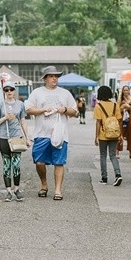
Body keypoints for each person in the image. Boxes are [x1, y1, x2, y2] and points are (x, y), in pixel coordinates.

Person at [26, 65, 78, 201]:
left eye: (56, 76)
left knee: (59, 162)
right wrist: (43, 110)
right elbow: (29, 110)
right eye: (51, 76)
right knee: (39, 162)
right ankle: (44, 184)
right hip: (41, 133)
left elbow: (75, 112)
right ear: (45, 78)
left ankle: (58, 190)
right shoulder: (37, 92)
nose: (54, 78)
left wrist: (64, 109)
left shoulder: (65, 93)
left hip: (60, 134)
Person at [0, 80, 31, 202]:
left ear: (15, 91)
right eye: (6, 90)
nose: (9, 92)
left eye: (11, 89)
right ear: (4, 91)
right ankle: (8, 191)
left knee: (16, 165)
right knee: (6, 165)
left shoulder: (20, 104)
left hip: (17, 138)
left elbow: (23, 121)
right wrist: (5, 117)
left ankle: (17, 189)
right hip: (4, 137)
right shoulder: (0, 105)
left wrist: (27, 137)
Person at [94, 85, 122, 186]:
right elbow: (119, 121)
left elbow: (98, 122)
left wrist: (96, 137)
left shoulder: (98, 106)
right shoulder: (115, 105)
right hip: (114, 133)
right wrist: (120, 135)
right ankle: (118, 174)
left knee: (103, 155)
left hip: (103, 134)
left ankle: (104, 178)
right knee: (113, 155)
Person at [117, 85, 131, 159]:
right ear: (122, 91)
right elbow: (117, 110)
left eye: (127, 90)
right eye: (124, 90)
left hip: (130, 117)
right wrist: (123, 107)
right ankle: (117, 152)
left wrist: (130, 108)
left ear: (129, 91)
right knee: (120, 134)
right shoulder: (120, 99)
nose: (126, 91)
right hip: (122, 118)